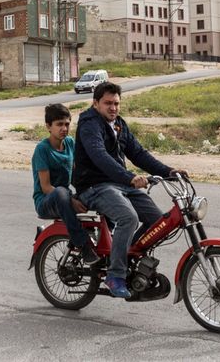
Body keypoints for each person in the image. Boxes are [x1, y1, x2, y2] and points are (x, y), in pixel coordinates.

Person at [73, 82, 187, 298]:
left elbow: (138, 153)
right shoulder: (89, 124)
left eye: (116, 103)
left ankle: (125, 257)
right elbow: (99, 156)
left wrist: (169, 171)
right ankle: (115, 275)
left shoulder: (119, 125)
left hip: (119, 185)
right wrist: (129, 177)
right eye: (108, 103)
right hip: (94, 185)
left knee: (158, 222)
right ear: (96, 103)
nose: (113, 107)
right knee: (128, 217)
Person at [32, 103, 99, 265]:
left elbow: (78, 173)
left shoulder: (69, 143)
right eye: (59, 124)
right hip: (46, 201)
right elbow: (46, 187)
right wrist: (71, 200)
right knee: (61, 192)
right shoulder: (42, 150)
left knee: (98, 193)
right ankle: (83, 246)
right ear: (48, 126)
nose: (64, 128)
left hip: (64, 196)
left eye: (67, 124)